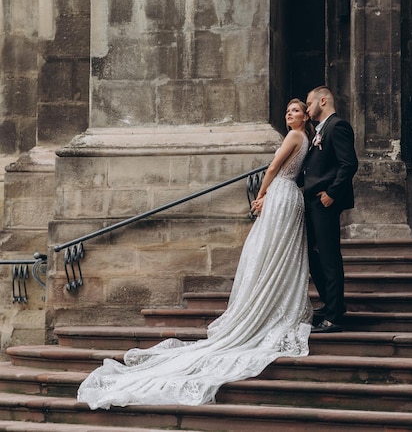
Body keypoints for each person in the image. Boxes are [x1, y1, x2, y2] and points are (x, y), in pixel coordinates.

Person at [77, 99, 314, 409]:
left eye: (295, 110)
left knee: (269, 253)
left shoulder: (294, 137)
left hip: (281, 194)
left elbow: (272, 167)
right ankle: (272, 303)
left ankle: (262, 307)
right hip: (291, 196)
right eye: (286, 111)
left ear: (305, 115)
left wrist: (260, 195)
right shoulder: (308, 138)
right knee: (276, 254)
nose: (289, 115)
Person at [303, 86, 358, 334]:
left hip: (325, 202)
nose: (306, 108)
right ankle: (331, 303)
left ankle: (334, 317)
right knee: (313, 256)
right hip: (312, 202)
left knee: (328, 258)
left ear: (322, 101)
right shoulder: (319, 130)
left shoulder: (338, 126)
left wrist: (332, 194)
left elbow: (349, 164)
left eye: (309, 103)